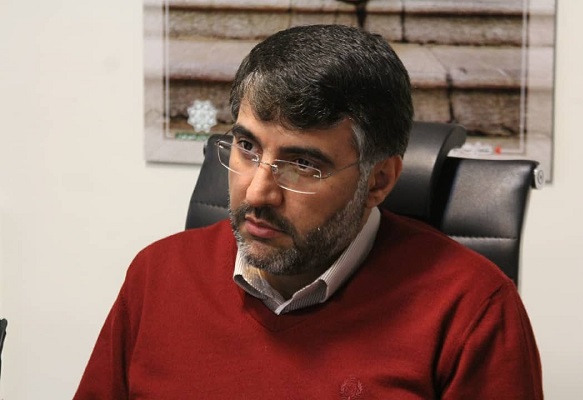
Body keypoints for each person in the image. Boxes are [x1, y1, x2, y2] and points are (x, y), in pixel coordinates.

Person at [74, 24, 543, 399]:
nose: (258, 193)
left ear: (378, 180)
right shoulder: (158, 274)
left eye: (302, 165)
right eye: (246, 147)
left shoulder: (473, 310)